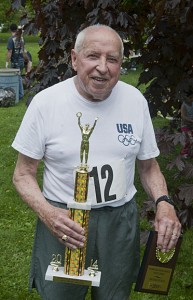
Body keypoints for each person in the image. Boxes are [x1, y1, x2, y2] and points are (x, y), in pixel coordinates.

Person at [12, 25, 181, 300]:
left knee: (114, 296)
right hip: (63, 220)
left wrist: (164, 202)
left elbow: (149, 167)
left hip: (119, 221)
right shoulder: (46, 103)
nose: (102, 67)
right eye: (93, 56)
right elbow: (22, 174)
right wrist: (48, 214)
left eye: (112, 59)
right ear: (74, 59)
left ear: (120, 64)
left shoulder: (135, 101)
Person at [6, 24, 27, 99]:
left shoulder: (11, 39)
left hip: (15, 61)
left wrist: (7, 63)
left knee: (16, 78)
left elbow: (9, 52)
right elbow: (24, 50)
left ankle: (19, 94)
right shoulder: (21, 38)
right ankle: (19, 93)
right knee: (19, 77)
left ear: (10, 30)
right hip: (21, 60)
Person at [180, 90, 193, 158]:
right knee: (187, 140)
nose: (191, 99)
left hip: (192, 124)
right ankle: (184, 153)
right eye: (190, 98)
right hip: (186, 125)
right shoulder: (184, 105)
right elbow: (183, 116)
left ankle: (191, 153)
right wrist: (191, 120)